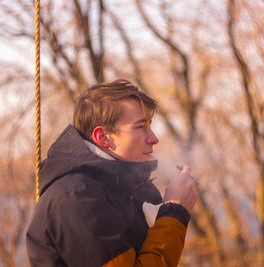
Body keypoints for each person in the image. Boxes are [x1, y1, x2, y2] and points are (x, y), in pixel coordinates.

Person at [26, 79, 197, 267]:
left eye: (149, 125)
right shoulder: (75, 198)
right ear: (103, 137)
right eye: (140, 127)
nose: (153, 138)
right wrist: (175, 211)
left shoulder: (128, 187)